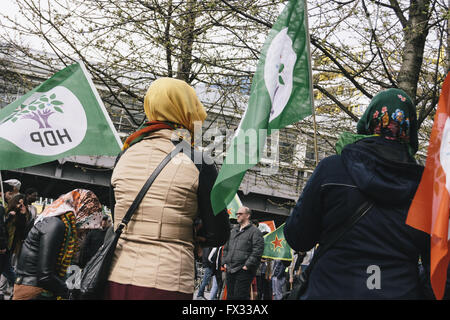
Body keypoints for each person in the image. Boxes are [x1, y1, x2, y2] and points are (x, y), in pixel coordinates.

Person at [284, 88, 431, 299]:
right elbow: (438, 268)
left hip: (328, 290)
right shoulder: (427, 189)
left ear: (369, 121)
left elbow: (297, 238)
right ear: (410, 131)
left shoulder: (332, 169)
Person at [105, 77, 230, 300]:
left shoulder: (125, 154)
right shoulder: (199, 162)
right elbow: (219, 232)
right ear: (187, 109)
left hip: (117, 275)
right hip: (167, 280)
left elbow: (117, 214)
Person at [13, 189, 103, 300]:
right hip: (34, 291)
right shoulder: (55, 225)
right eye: (88, 222)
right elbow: (45, 276)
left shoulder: (55, 222)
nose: (85, 231)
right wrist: (71, 294)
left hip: (34, 288)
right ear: (81, 211)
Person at [222, 206, 264, 300]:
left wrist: (247, 265)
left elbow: (258, 250)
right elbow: (226, 247)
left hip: (244, 270)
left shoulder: (255, 232)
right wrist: (224, 262)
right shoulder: (233, 231)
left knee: (240, 296)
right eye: (237, 214)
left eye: (240, 214)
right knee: (230, 296)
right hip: (230, 268)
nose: (237, 216)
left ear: (248, 215)